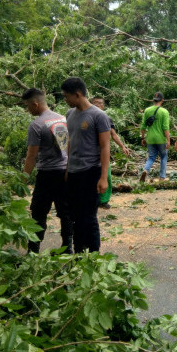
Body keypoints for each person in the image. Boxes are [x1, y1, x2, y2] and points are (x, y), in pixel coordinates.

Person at [61, 77, 112, 253]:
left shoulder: (99, 116)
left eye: (66, 96)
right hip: (74, 172)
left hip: (91, 172)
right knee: (75, 215)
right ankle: (79, 251)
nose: (65, 99)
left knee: (89, 216)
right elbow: (70, 142)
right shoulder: (69, 114)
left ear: (78, 94)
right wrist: (67, 168)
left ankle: (94, 253)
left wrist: (104, 177)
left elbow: (105, 147)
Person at [21, 88, 73, 254]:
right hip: (65, 171)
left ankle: (33, 252)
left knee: (38, 213)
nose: (28, 109)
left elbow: (31, 156)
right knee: (65, 213)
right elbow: (70, 147)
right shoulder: (64, 119)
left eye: (28, 106)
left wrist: (22, 179)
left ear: (35, 104)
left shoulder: (36, 125)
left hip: (47, 174)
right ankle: (67, 249)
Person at [90, 96, 130, 209]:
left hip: (102, 153)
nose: (97, 104)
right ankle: (92, 199)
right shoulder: (86, 117)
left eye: (100, 103)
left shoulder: (106, 118)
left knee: (106, 176)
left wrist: (122, 146)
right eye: (95, 102)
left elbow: (113, 134)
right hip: (88, 153)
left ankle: (103, 200)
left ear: (103, 106)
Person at [140, 92, 171, 182]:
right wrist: (168, 140)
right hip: (161, 139)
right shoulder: (164, 112)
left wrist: (142, 138)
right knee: (164, 156)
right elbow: (165, 127)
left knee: (151, 157)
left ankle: (145, 170)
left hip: (150, 138)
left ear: (153, 100)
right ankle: (162, 177)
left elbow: (143, 126)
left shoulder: (147, 110)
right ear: (162, 100)